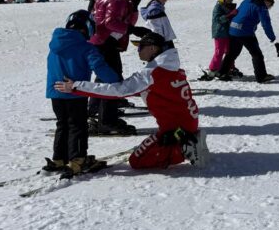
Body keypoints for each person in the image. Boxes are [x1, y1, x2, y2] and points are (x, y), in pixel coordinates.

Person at [54, 30, 209, 169]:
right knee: (144, 151)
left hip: (175, 129)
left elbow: (117, 91)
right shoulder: (171, 66)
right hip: (187, 121)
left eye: (141, 46)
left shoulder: (151, 73)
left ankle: (184, 147)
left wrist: (77, 87)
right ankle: (188, 138)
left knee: (137, 161)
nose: (138, 50)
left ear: (153, 49)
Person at [45, 10, 120, 177]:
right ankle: (78, 159)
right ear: (88, 27)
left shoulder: (55, 44)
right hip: (75, 92)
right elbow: (99, 66)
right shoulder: (86, 47)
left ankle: (59, 158)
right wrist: (116, 80)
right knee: (77, 125)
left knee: (62, 124)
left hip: (55, 93)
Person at [88, 0, 139, 135]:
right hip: (105, 43)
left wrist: (134, 6)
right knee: (112, 80)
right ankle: (106, 120)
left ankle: (101, 113)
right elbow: (110, 22)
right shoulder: (115, 0)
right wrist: (130, 29)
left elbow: (127, 21)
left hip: (105, 43)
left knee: (108, 78)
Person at [218, 0, 279, 83]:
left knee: (232, 53)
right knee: (257, 54)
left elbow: (238, 11)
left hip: (233, 28)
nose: (268, 8)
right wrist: (274, 40)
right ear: (267, 2)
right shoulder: (262, 7)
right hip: (245, 32)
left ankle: (222, 72)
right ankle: (261, 76)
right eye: (269, 6)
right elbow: (266, 25)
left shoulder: (248, 0)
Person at [205, 0, 238, 78]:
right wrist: (230, 15)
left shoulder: (230, 6)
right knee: (219, 51)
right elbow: (218, 19)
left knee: (229, 52)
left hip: (229, 32)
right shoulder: (218, 7)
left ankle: (230, 67)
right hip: (220, 32)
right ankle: (213, 69)